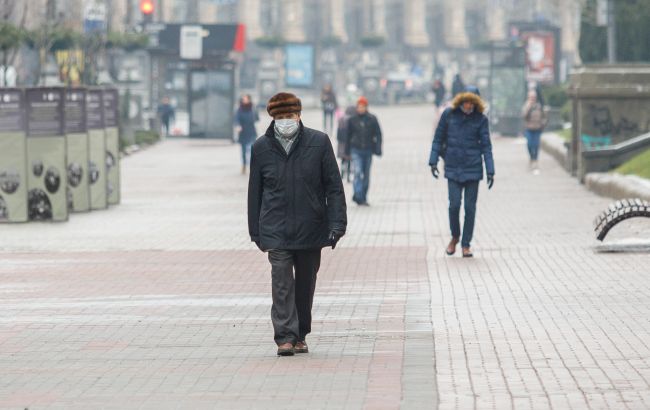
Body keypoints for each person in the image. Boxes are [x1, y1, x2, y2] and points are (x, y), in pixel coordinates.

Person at [248, 92, 347, 356]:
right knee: (281, 283)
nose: (285, 121)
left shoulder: (319, 142)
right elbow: (254, 193)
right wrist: (255, 231)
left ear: (299, 115)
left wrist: (337, 224)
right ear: (272, 118)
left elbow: (334, 187)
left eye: (289, 116)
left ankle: (300, 332)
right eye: (280, 117)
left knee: (305, 284)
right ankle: (285, 337)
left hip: (310, 227)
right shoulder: (261, 148)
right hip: (275, 228)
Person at [428, 86, 495, 258]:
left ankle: (466, 244)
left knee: (470, 208)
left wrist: (490, 170)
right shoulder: (449, 115)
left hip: (473, 169)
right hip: (453, 166)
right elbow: (438, 139)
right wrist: (433, 161)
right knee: (454, 205)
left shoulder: (480, 120)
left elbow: (486, 146)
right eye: (466, 102)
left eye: (472, 103)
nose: (468, 106)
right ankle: (455, 236)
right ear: (461, 101)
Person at [345, 96, 382, 206]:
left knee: (366, 175)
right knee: (357, 172)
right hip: (355, 150)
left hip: (368, 150)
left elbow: (378, 134)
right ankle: (358, 194)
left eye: (362, 107)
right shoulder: (352, 120)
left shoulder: (372, 119)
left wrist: (378, 149)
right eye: (359, 107)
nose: (360, 109)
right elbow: (347, 136)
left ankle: (363, 196)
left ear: (366, 107)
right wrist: (346, 152)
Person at [521, 90, 547, 174]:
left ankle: (535, 160)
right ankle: (531, 158)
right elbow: (524, 116)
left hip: (537, 128)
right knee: (529, 144)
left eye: (534, 97)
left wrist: (543, 123)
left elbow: (544, 116)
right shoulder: (526, 105)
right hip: (529, 128)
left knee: (536, 145)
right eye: (531, 97)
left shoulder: (539, 106)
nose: (532, 98)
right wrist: (529, 107)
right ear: (528, 97)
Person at [235, 94, 259, 174]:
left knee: (253, 149)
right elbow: (236, 119)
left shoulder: (253, 108)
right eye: (243, 99)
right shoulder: (240, 109)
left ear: (249, 99)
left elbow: (257, 119)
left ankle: (253, 165)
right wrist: (238, 126)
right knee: (244, 151)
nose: (244, 100)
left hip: (251, 131)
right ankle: (244, 165)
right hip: (243, 132)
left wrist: (255, 110)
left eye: (245, 99)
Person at [336, 106, 356, 183]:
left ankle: (342, 173)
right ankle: (348, 177)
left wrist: (340, 141)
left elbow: (338, 133)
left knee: (343, 160)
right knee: (350, 161)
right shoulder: (352, 120)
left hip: (341, 144)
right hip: (349, 144)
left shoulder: (341, 119)